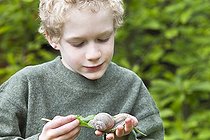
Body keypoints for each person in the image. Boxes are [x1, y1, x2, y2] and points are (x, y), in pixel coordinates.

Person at [0, 0, 164, 139]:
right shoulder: (27, 85)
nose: (93, 54)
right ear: (53, 37)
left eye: (103, 39)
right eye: (78, 43)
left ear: (114, 30)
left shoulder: (130, 86)